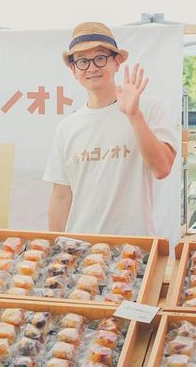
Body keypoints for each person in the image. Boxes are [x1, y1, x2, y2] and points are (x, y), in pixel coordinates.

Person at [43, 21, 177, 236]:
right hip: (79, 250)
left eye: (100, 58)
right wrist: (54, 249)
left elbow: (162, 168)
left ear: (116, 62)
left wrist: (134, 115)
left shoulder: (148, 108)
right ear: (73, 70)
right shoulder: (67, 127)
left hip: (133, 249)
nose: (92, 67)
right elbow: (61, 195)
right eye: (83, 62)